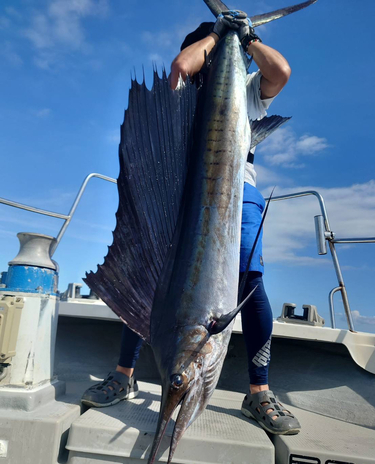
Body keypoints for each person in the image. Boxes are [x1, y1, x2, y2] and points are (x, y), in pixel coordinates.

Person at [82, 11, 301, 435]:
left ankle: (259, 391)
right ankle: (123, 375)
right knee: (146, 279)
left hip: (237, 194)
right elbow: (182, 66)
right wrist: (217, 34)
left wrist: (245, 37)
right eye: (208, 49)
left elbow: (282, 71)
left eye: (216, 49)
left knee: (251, 284)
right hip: (180, 199)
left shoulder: (250, 89)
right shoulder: (185, 90)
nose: (212, 56)